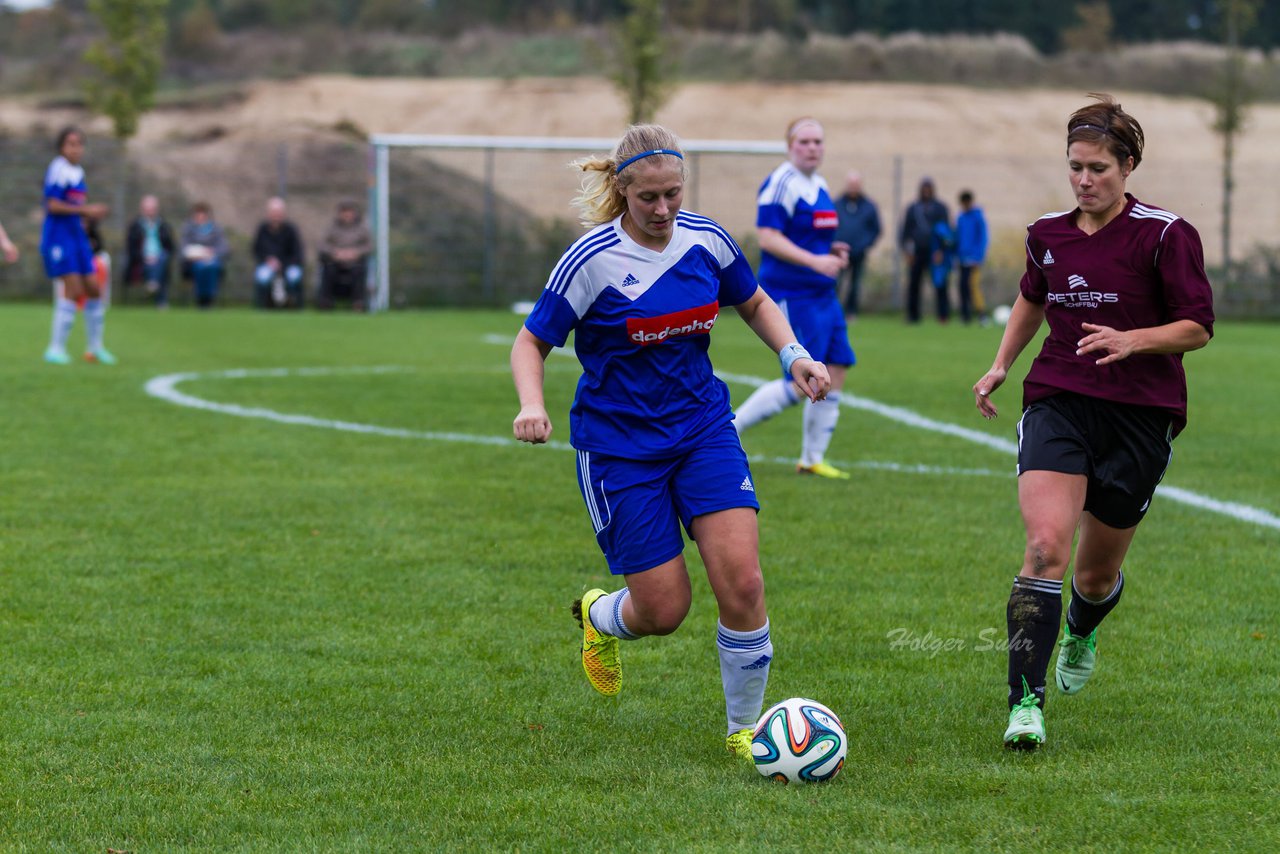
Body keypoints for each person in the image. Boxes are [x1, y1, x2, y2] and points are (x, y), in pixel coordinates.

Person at [510, 124, 832, 762]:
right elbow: (531, 342)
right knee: (664, 610)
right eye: (648, 198)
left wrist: (793, 354)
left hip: (703, 431)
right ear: (621, 191)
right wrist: (531, 403)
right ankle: (601, 616)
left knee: (742, 582)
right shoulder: (589, 260)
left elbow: (757, 301)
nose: (662, 211)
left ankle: (745, 730)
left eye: (673, 195)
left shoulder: (707, 240)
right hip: (619, 448)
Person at [971, 94, 1214, 751]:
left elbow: (1198, 327)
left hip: (1141, 414)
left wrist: (1134, 341)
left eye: (1099, 168)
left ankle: (1082, 624)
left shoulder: (1166, 234)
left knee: (1095, 574)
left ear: (1129, 166)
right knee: (1046, 546)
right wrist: (1000, 365)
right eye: (1075, 166)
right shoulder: (1046, 235)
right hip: (1058, 398)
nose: (1084, 180)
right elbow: (1032, 298)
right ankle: (1025, 704)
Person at [732, 117, 854, 480]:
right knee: (803, 378)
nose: (813, 147)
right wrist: (816, 260)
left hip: (822, 294)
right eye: (804, 142)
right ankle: (727, 432)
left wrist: (830, 249)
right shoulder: (780, 183)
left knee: (836, 368)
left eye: (818, 141)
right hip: (791, 293)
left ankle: (811, 459)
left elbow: (806, 236)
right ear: (790, 146)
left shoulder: (818, 184)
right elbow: (768, 237)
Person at [40, 126, 113, 366]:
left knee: (94, 288)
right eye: (71, 143)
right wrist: (86, 210)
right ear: (62, 147)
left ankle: (95, 348)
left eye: (80, 144)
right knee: (72, 289)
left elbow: (77, 208)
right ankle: (55, 348)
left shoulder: (78, 172)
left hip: (77, 237)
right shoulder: (58, 168)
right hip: (59, 237)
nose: (76, 148)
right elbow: (53, 206)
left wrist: (90, 217)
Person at [899, 176, 950, 323]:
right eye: (924, 189)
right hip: (917, 253)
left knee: (940, 283)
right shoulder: (913, 209)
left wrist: (941, 250)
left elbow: (945, 231)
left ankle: (943, 315)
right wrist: (908, 251)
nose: (926, 192)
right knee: (914, 284)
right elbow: (906, 232)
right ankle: (913, 315)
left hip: (935, 252)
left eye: (929, 189)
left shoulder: (940, 208)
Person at [833, 170, 881, 318]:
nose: (853, 187)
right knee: (836, 283)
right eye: (851, 184)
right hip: (838, 253)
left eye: (856, 184)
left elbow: (876, 229)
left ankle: (851, 312)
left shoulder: (869, 206)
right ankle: (834, 311)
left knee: (855, 284)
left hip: (859, 253)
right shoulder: (837, 204)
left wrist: (864, 244)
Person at [317, 200, 371, 311]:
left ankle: (358, 303)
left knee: (360, 270)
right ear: (340, 214)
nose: (347, 215)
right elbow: (322, 245)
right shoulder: (332, 228)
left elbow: (369, 246)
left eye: (350, 212)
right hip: (336, 262)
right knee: (328, 269)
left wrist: (356, 252)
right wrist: (335, 252)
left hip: (355, 263)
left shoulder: (362, 228)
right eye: (344, 212)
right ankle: (325, 302)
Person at [124, 194, 176, 308]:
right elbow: (131, 249)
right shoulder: (135, 226)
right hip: (141, 261)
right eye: (147, 209)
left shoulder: (164, 225)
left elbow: (171, 247)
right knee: (157, 265)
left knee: (161, 259)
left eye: (152, 209)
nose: (150, 212)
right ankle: (161, 301)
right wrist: (144, 258)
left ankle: (152, 283)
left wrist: (156, 258)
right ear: (142, 210)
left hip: (160, 258)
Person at [253, 196, 305, 309]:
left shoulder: (291, 230)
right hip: (268, 264)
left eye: (278, 212)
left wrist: (283, 263)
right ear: (268, 213)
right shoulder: (262, 229)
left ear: (283, 213)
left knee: (294, 276)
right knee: (262, 277)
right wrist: (268, 260)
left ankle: (295, 305)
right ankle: (262, 305)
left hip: (289, 264)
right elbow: (256, 249)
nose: (276, 215)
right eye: (273, 212)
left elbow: (298, 252)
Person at [179, 202, 229, 309]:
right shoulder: (188, 229)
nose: (200, 217)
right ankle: (201, 298)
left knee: (212, 267)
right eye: (198, 214)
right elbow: (183, 248)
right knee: (200, 268)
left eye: (203, 214)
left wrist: (212, 252)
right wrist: (197, 254)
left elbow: (224, 247)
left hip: (213, 260)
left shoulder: (216, 229)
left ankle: (210, 298)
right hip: (193, 262)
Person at [955, 189, 990, 325]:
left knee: (973, 286)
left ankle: (982, 315)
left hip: (973, 259)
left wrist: (978, 257)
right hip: (962, 258)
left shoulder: (978, 217)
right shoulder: (961, 218)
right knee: (962, 287)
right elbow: (958, 237)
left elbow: (982, 238)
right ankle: (965, 316)